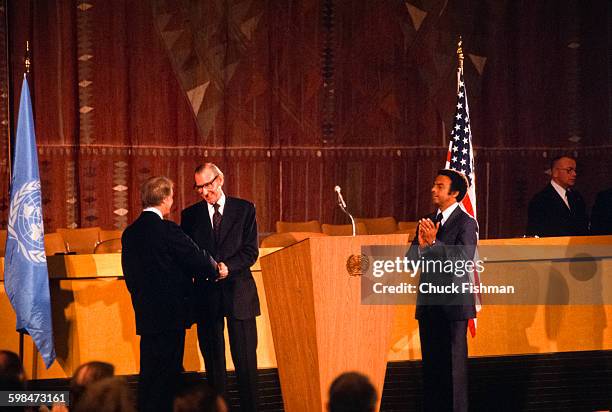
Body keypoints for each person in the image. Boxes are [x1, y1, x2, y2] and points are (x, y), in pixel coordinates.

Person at [121, 176, 220, 412]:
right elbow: (197, 258)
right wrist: (215, 266)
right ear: (166, 199)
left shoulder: (130, 233)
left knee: (149, 375)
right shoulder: (167, 229)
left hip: (146, 315)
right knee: (168, 376)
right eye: (171, 197)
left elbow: (130, 276)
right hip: (172, 314)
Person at [181, 163, 260, 412]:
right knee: (215, 365)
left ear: (221, 179)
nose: (205, 191)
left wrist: (228, 267)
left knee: (246, 362)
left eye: (208, 184)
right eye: (199, 187)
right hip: (207, 295)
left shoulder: (245, 209)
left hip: (239, 292)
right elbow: (187, 255)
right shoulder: (190, 215)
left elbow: (251, 251)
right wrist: (206, 270)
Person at [406, 169, 477, 412]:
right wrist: (423, 247)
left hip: (453, 308)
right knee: (433, 371)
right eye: (434, 185)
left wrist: (435, 244)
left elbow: (464, 261)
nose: (433, 190)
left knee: (453, 374)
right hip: (429, 306)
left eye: (439, 186)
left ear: (454, 193)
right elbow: (410, 263)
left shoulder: (466, 222)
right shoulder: (426, 220)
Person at [526, 155, 589, 237]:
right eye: (569, 170)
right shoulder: (540, 200)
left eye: (575, 170)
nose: (574, 174)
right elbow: (535, 233)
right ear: (555, 172)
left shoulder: (577, 197)